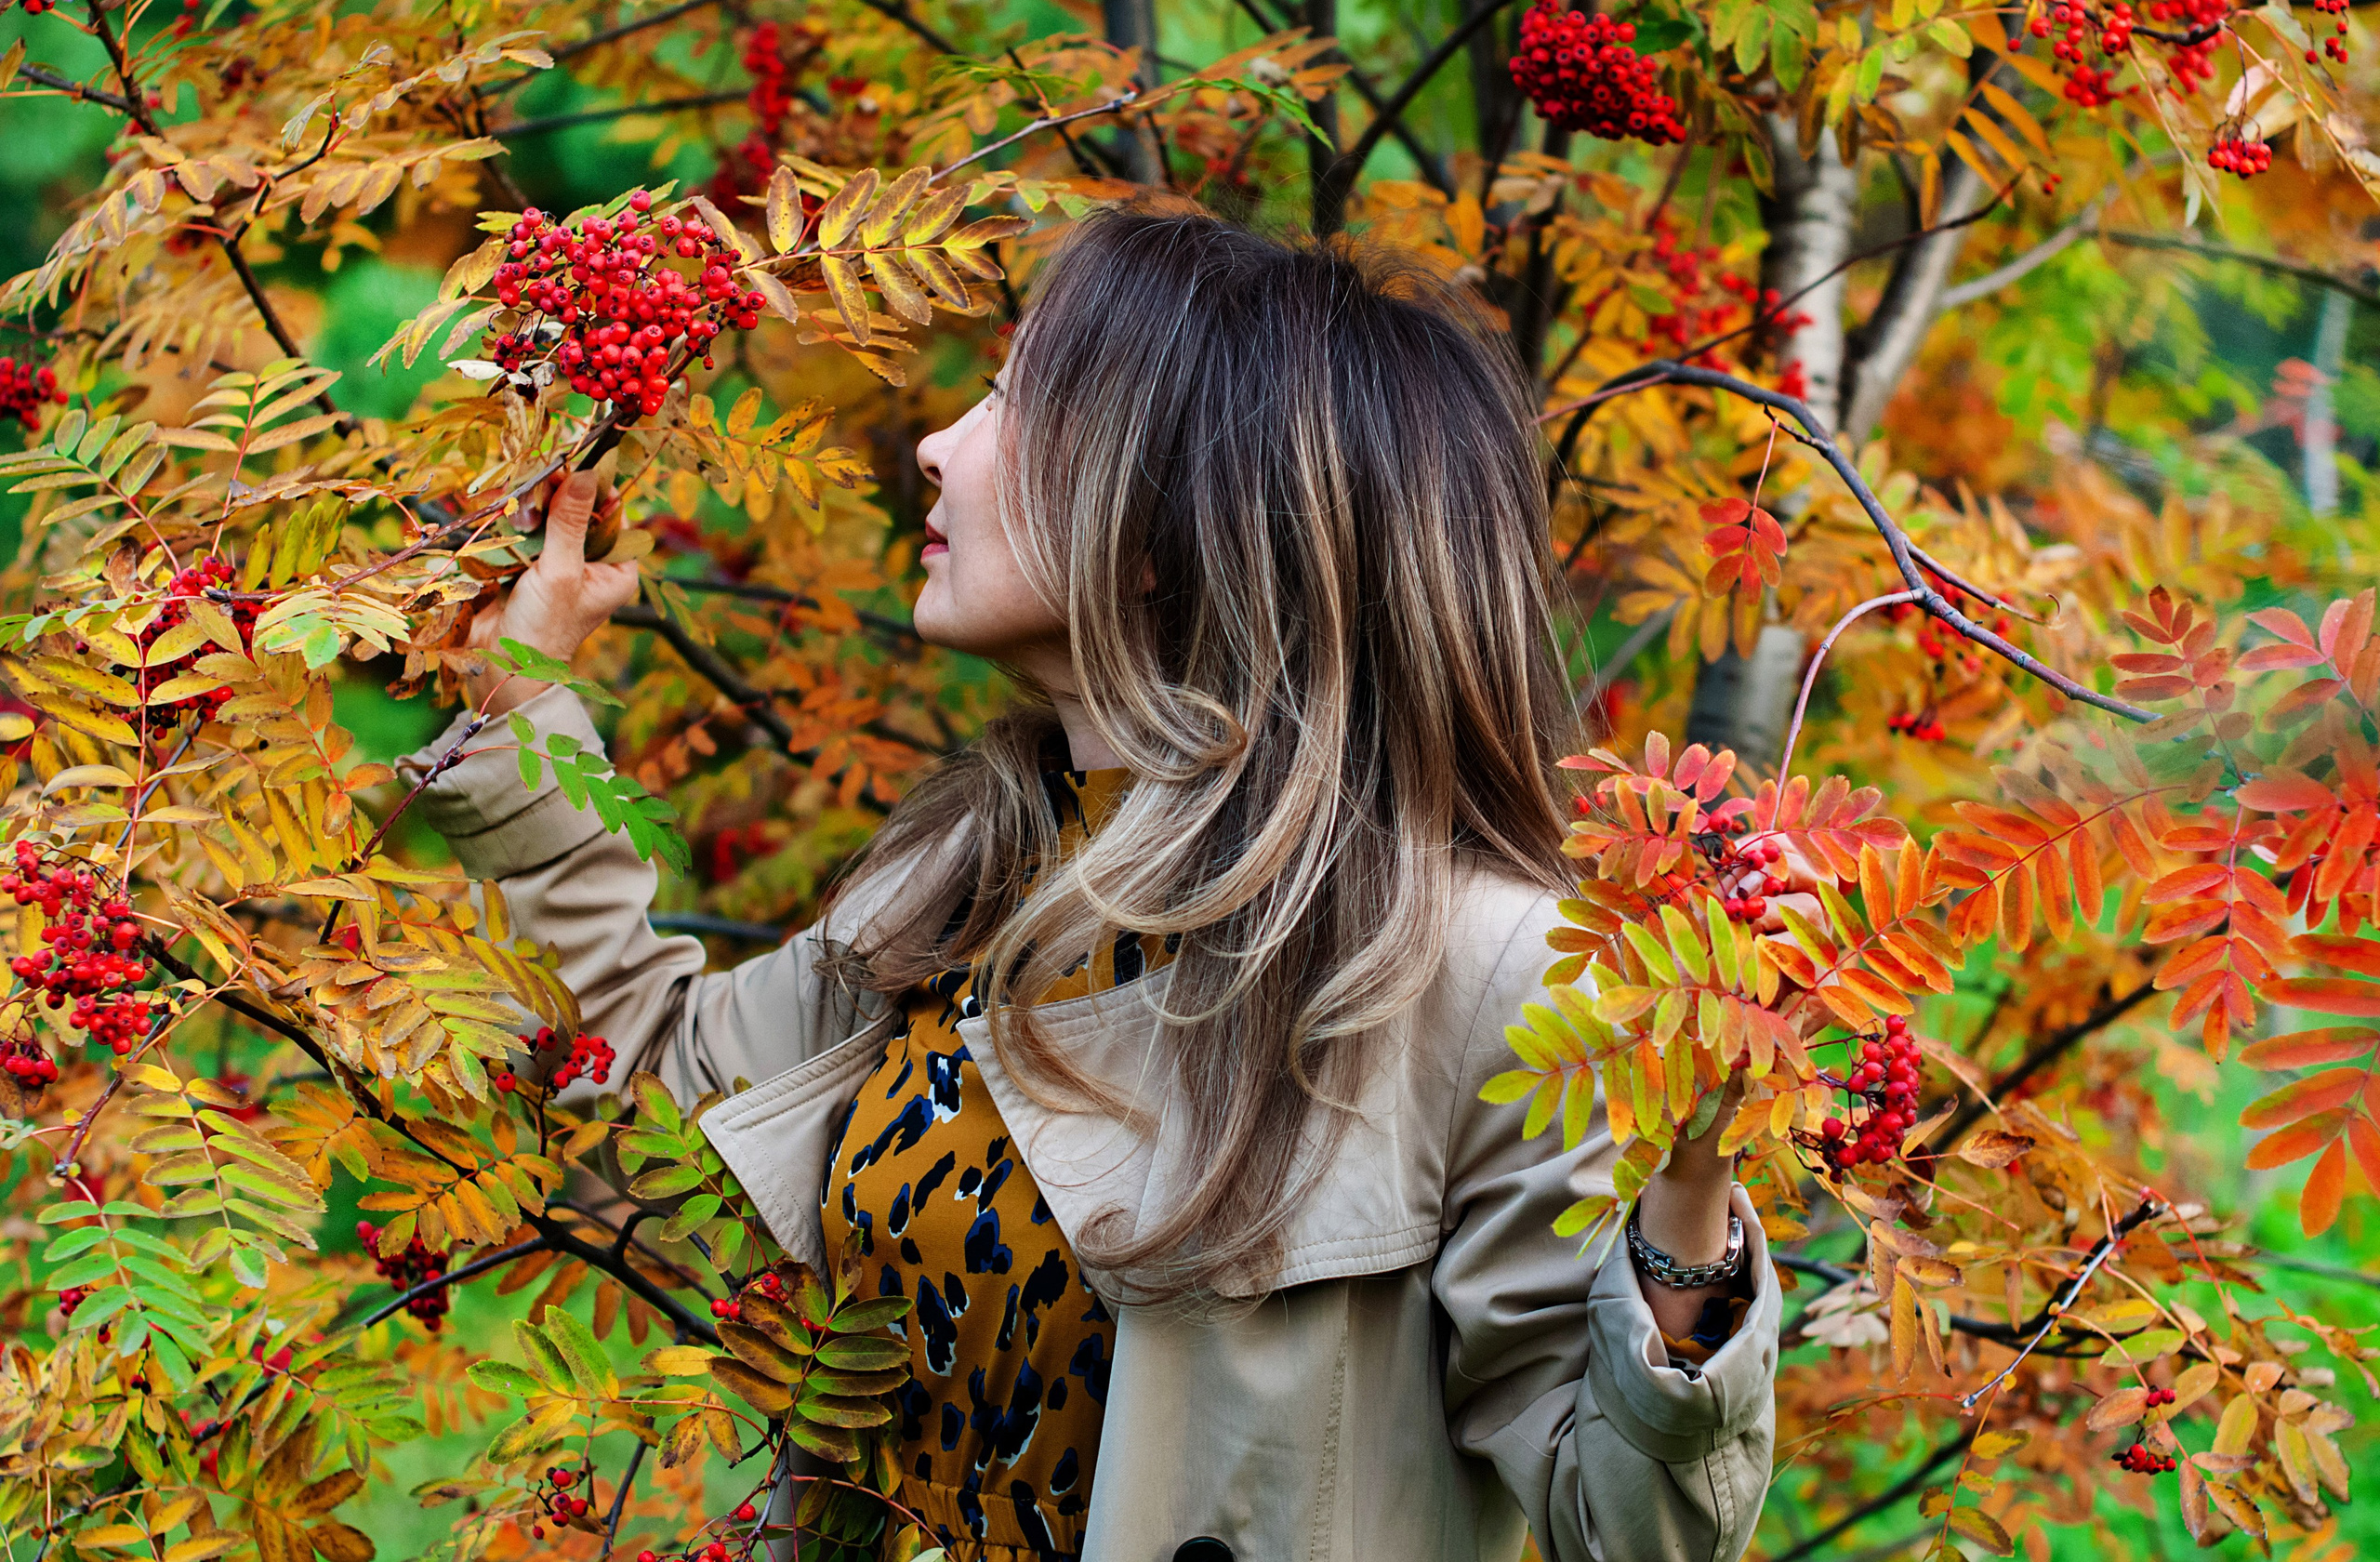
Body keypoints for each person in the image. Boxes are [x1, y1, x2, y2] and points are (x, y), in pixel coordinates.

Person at [397, 207, 1781, 1562]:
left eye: (1008, 402)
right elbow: (649, 1091)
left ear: (1158, 527)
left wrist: (1694, 1174)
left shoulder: (1478, 971)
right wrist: (525, 702)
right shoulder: (972, 880)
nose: (935, 447)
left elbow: (1634, 1527)